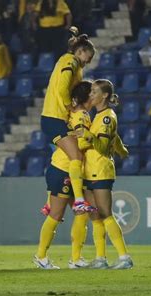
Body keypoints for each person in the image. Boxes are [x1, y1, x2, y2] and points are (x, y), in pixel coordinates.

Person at [34, 81, 94, 270]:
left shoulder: (75, 114)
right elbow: (80, 142)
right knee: (56, 215)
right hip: (63, 169)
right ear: (88, 97)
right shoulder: (81, 116)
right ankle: (41, 256)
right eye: (92, 94)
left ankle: (76, 259)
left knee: (82, 213)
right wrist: (96, 141)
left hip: (65, 169)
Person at [76, 79, 132, 269]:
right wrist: (122, 149)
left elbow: (101, 147)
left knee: (106, 213)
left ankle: (124, 257)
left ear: (105, 95)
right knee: (95, 216)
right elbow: (113, 140)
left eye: (94, 91)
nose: (90, 94)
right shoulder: (98, 116)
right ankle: (101, 258)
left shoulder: (107, 117)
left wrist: (86, 136)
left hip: (100, 170)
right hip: (88, 171)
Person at [40, 28, 95, 214]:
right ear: (80, 51)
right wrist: (69, 106)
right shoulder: (70, 61)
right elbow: (63, 87)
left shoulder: (73, 65)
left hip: (55, 118)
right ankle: (79, 200)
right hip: (54, 117)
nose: (90, 60)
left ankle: (50, 202)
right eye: (89, 55)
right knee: (76, 157)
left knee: (64, 158)